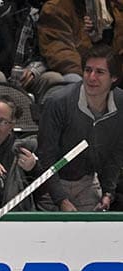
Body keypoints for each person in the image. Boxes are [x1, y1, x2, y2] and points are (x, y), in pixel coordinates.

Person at [37, 43, 123, 211]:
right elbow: (46, 156)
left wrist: (108, 192)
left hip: (88, 182)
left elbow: (116, 153)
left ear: (114, 78)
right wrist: (61, 199)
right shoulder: (58, 103)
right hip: (52, 184)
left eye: (99, 72)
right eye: (88, 70)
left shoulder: (121, 104)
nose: (91, 77)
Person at [38, 0, 123, 83]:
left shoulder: (112, 5)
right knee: (73, 79)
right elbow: (60, 53)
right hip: (79, 75)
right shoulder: (57, 8)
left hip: (112, 73)